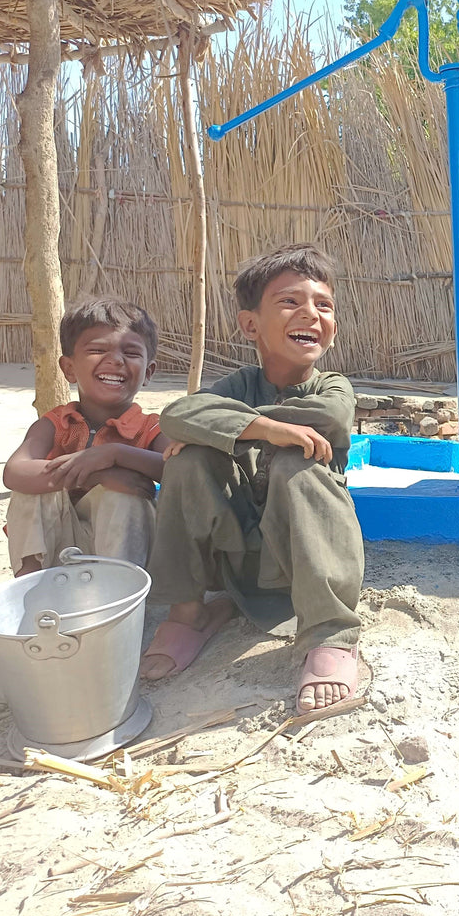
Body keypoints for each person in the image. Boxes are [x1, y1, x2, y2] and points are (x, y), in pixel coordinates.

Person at [140, 245, 364, 713]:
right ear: (250, 325)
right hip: (237, 557)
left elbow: (328, 418)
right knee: (186, 461)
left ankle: (330, 634)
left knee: (295, 460)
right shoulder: (236, 384)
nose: (310, 313)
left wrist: (229, 427)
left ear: (334, 327)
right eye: (289, 302)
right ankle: (189, 611)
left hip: (303, 563)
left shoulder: (334, 386)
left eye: (323, 305)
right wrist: (265, 428)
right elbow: (176, 415)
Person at [3, 298, 165, 575]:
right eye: (98, 349)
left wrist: (115, 455)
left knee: (123, 495)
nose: (115, 360)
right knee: (31, 489)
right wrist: (97, 474)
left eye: (131, 352)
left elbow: (178, 468)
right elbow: (14, 472)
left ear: (148, 371)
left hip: (125, 555)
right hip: (59, 552)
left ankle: (117, 600)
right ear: (68, 368)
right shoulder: (56, 423)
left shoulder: (152, 427)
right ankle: (30, 593)